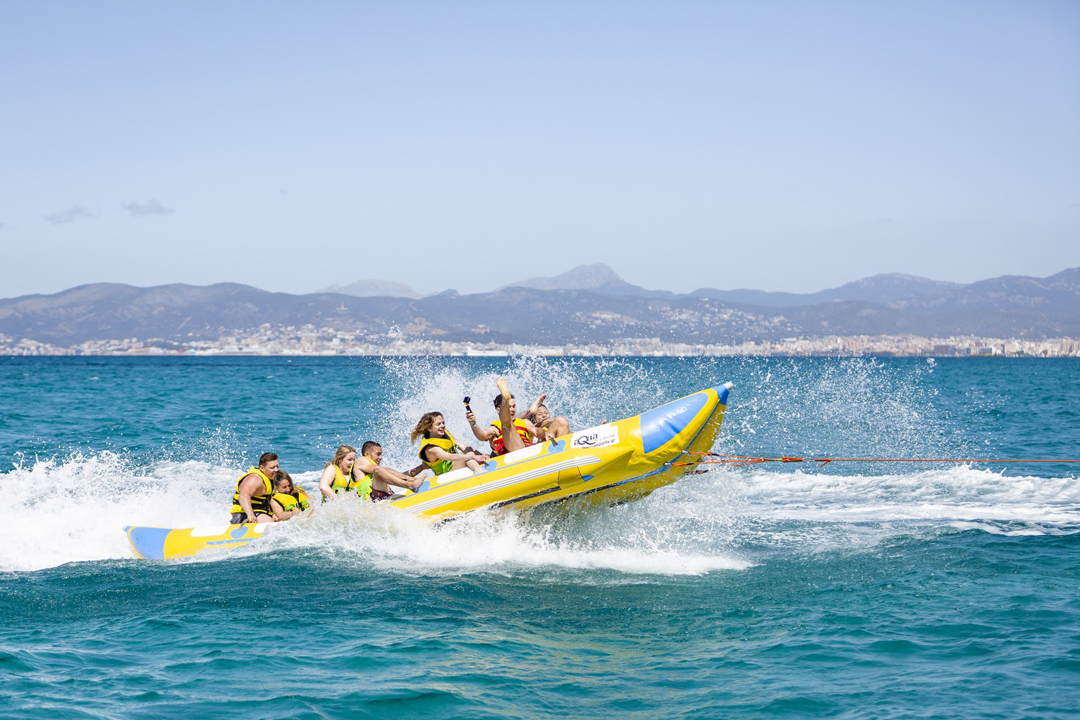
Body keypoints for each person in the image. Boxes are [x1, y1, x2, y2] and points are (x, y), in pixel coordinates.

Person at [466, 378, 542, 456]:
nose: (512, 410)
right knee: (506, 425)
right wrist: (473, 423)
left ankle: (506, 400)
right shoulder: (495, 427)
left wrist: (546, 433)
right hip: (507, 454)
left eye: (514, 406)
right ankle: (505, 400)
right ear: (498, 410)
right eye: (509, 407)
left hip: (524, 449)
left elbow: (536, 431)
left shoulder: (524, 422)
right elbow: (482, 436)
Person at [411, 411, 489, 476]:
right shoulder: (431, 448)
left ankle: (487, 460)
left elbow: (461, 445)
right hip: (447, 473)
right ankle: (478, 470)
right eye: (438, 424)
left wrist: (478, 455)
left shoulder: (445, 434)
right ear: (430, 428)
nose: (443, 426)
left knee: (469, 449)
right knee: (466, 457)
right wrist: (473, 457)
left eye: (443, 423)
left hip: (456, 464)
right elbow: (451, 457)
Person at [353, 440, 422, 502]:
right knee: (378, 470)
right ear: (367, 454)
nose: (381, 457)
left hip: (381, 496)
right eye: (378, 454)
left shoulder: (375, 470)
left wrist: (421, 468)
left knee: (381, 470)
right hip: (373, 500)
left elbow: (394, 476)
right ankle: (409, 485)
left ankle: (410, 484)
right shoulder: (360, 460)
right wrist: (409, 480)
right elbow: (380, 470)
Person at [229, 452, 279, 524]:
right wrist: (250, 514)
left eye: (277, 466)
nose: (276, 470)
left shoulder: (272, 478)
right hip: (243, 515)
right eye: (272, 468)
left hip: (262, 513)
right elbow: (243, 495)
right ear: (262, 468)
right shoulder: (254, 479)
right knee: (270, 523)